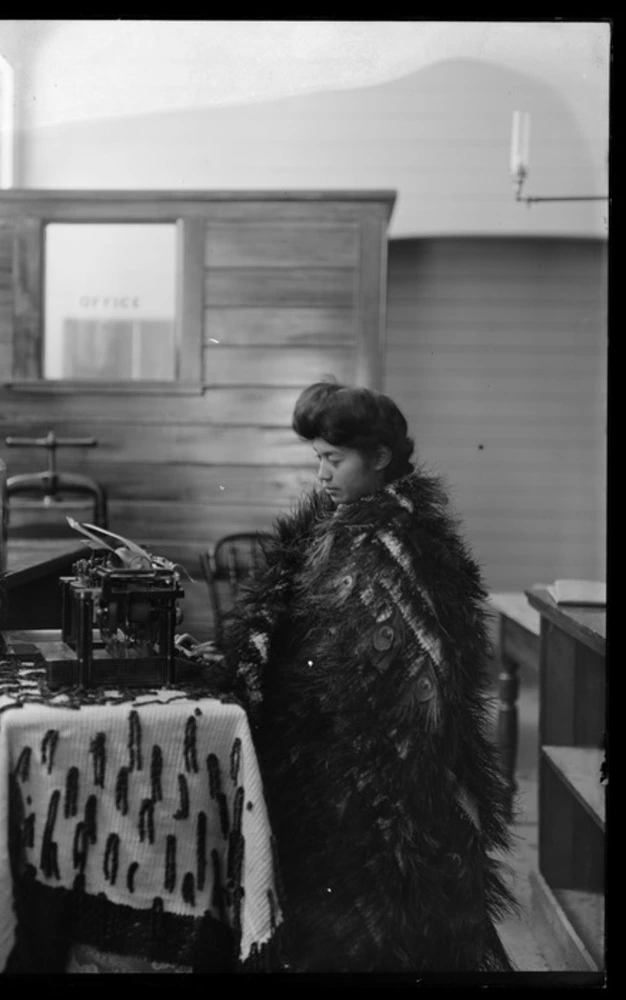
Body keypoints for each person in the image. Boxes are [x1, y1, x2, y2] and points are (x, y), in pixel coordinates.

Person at [218, 381, 517, 974]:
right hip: (321, 751)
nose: (322, 476)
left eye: (334, 460)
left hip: (381, 770)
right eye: (317, 461)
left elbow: (422, 669)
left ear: (379, 458)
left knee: (377, 911)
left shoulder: (403, 540)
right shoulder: (336, 524)